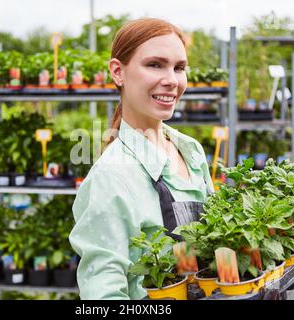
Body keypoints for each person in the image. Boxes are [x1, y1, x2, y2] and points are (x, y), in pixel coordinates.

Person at [69, 18, 214, 300]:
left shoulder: (191, 151)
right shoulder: (110, 178)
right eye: (155, 65)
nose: (172, 80)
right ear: (118, 72)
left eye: (179, 68)